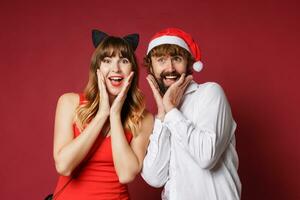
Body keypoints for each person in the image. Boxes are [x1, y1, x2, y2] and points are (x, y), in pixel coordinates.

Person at [52, 29, 153, 200]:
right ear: (97, 68)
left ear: (132, 70)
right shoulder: (69, 103)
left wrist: (114, 115)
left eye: (124, 60)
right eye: (107, 60)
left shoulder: (143, 118)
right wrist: (102, 114)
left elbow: (126, 174)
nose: (116, 68)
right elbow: (64, 166)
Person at [141, 28, 241, 200]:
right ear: (151, 66)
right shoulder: (165, 113)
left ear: (188, 64)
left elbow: (206, 157)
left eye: (177, 59)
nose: (170, 67)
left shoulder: (210, 93)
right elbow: (154, 177)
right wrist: (163, 114)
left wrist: (171, 110)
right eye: (161, 60)